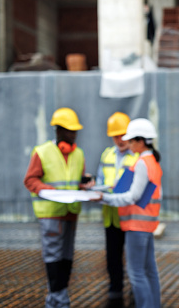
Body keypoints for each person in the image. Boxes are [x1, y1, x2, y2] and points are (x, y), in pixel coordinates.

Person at [24, 107, 95, 308]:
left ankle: (58, 298)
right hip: (51, 214)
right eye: (69, 131)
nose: (73, 135)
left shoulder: (78, 154)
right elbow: (30, 179)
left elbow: (74, 180)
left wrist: (85, 184)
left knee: (66, 257)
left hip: (71, 213)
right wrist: (48, 190)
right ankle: (58, 299)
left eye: (75, 131)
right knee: (53, 257)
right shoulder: (42, 152)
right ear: (58, 131)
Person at [94, 118, 163, 308]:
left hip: (136, 224)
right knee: (149, 271)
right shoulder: (152, 161)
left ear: (141, 141)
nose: (129, 144)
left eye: (132, 140)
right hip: (147, 223)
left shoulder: (142, 162)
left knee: (137, 273)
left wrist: (104, 198)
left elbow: (132, 197)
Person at [96, 112, 139, 308]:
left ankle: (135, 293)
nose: (120, 140)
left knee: (133, 258)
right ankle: (115, 293)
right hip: (111, 217)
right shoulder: (107, 155)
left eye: (123, 135)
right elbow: (100, 181)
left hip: (130, 217)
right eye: (116, 136)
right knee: (113, 258)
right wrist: (95, 188)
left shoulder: (137, 156)